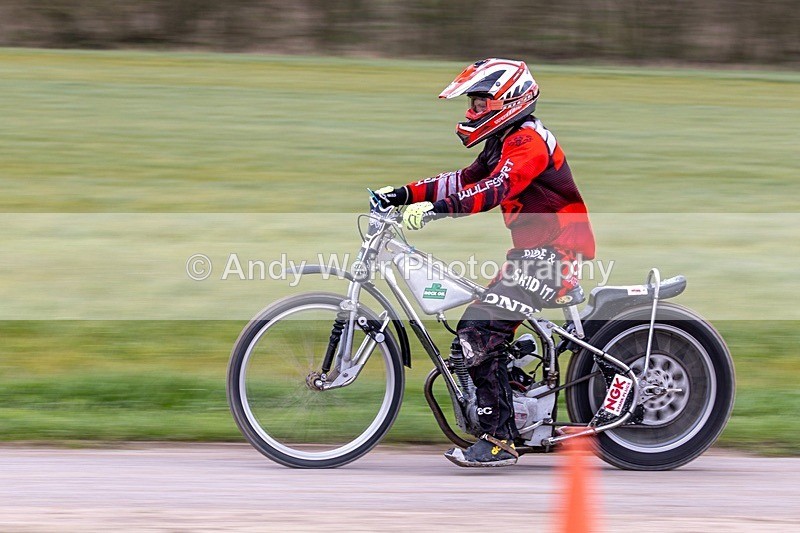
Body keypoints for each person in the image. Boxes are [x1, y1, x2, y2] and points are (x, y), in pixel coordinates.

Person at [373, 58, 596, 467]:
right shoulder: (505, 139)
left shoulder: (527, 143)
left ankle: (499, 439)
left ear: (508, 100)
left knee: (477, 330)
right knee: (482, 325)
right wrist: (403, 194)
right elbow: (464, 180)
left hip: (554, 257)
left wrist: (437, 210)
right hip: (533, 256)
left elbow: (494, 189)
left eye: (478, 104)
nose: (471, 113)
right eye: (471, 104)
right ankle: (513, 398)